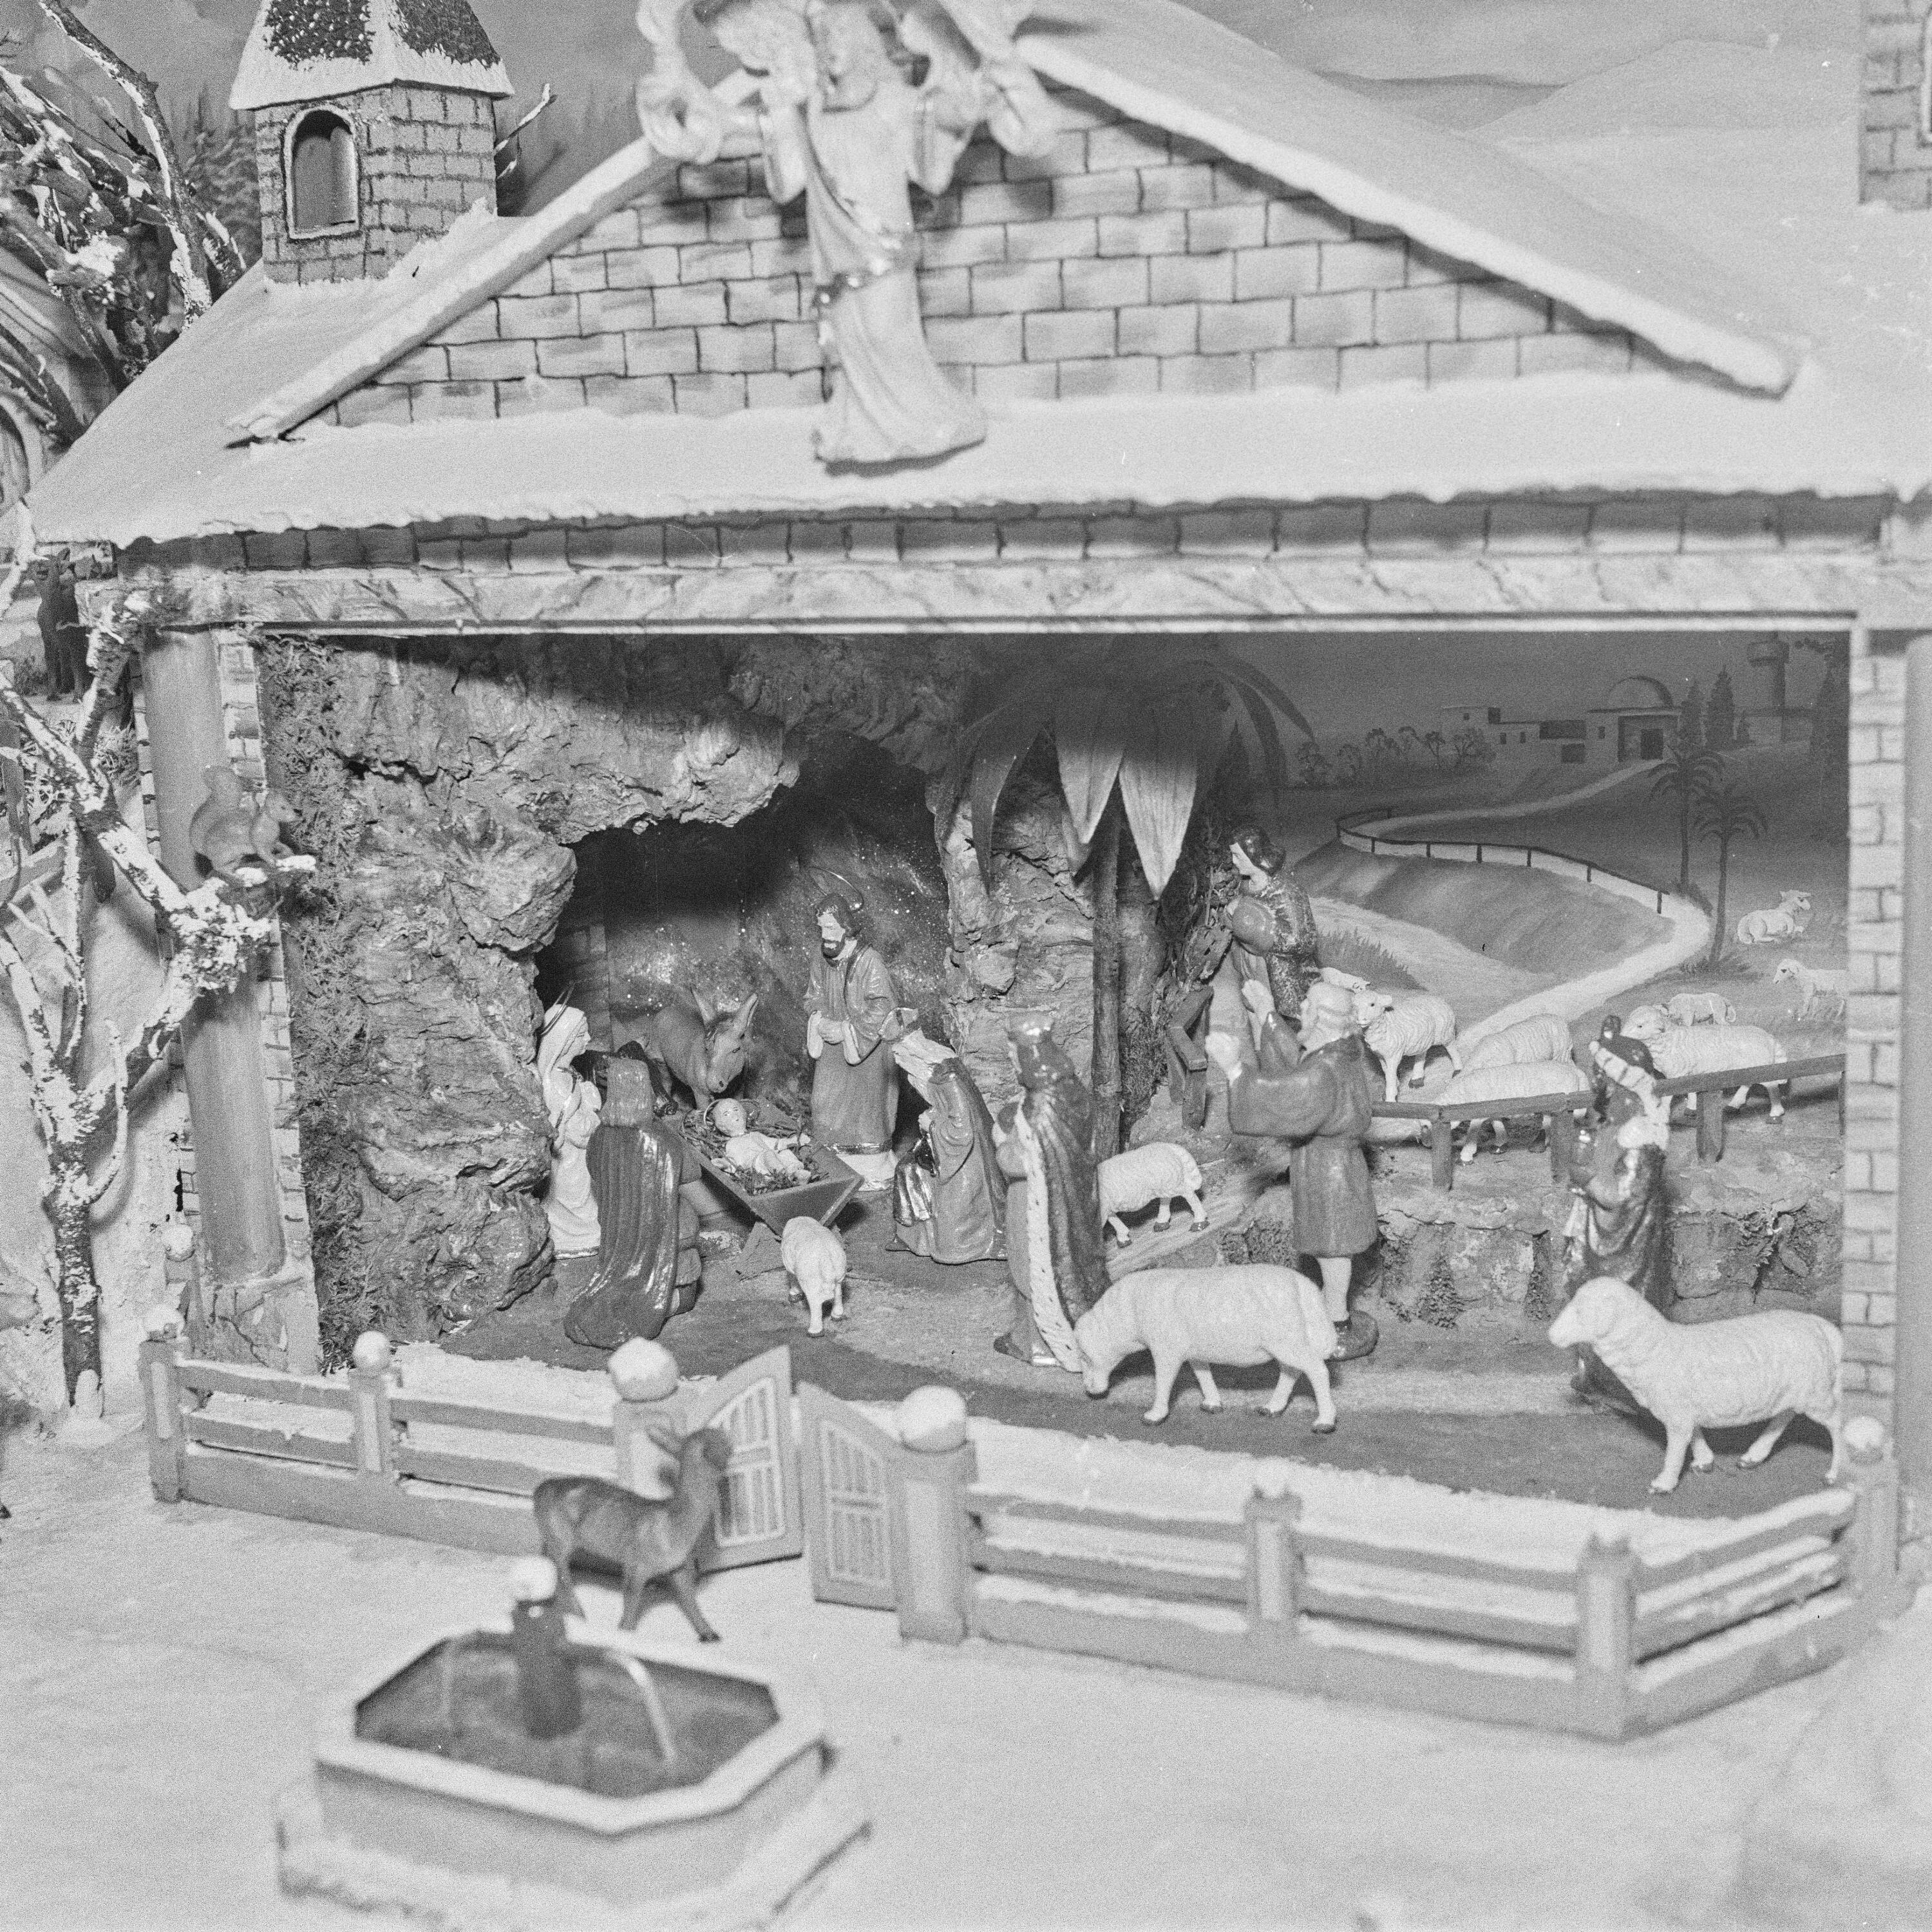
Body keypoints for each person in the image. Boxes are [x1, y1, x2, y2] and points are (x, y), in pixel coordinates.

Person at [639, 0, 1056, 466]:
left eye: (841, 39)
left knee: (888, 337)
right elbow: (746, 128)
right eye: (823, 43)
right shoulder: (812, 112)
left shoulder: (897, 103)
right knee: (850, 346)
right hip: (835, 257)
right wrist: (689, 96)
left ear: (867, 44)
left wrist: (991, 76)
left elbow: (959, 112)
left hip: (882, 251)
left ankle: (923, 420)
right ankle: (860, 426)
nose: (830, 51)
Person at [1208, 978, 1380, 1359]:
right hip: (1330, 1164)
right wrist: (1267, 1013)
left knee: (1333, 1245)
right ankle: (1333, 1312)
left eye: (1307, 1004)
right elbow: (1297, 1066)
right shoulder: (1338, 1051)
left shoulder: (1325, 1070)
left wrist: (1235, 1071)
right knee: (1332, 1246)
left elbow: (1290, 1095)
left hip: (1329, 1171)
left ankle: (1335, 1320)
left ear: (1321, 1017)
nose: (1300, 1007)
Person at [993, 1021, 1108, 1370]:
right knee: (1072, 1265)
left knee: (1031, 1265)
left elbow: (1020, 1162)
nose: (1014, 1063)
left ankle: (1040, 1343)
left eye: (1016, 1056)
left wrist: (1002, 1143)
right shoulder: (1070, 1093)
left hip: (1036, 1202)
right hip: (1074, 1198)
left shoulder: (1040, 1105)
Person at [891, 1036, 1006, 1264]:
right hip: (947, 1152)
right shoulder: (938, 1078)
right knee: (906, 1169)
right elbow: (948, 1112)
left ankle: (960, 1246)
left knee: (951, 1217)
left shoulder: (949, 1083)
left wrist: (931, 1125)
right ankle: (919, 1240)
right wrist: (933, 1116)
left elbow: (962, 1131)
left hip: (962, 1160)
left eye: (904, 1062)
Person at [804, 891, 903, 1156]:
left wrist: (846, 1029)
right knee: (824, 1102)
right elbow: (813, 995)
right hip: (831, 1045)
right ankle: (829, 1155)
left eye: (830, 928)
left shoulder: (870, 961)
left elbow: (884, 1006)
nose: (825, 935)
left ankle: (868, 1160)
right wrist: (820, 1020)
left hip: (864, 1047)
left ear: (846, 927)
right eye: (821, 928)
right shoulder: (820, 957)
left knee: (865, 1111)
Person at [1195, 825, 1321, 1023]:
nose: (1234, 861)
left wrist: (1257, 929)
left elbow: (1303, 940)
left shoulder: (1285, 891)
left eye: (1238, 856)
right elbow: (1236, 921)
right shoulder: (1246, 886)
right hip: (1251, 966)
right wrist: (1233, 915)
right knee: (1255, 1012)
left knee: (1280, 1023)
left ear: (1255, 854)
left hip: (1281, 975)